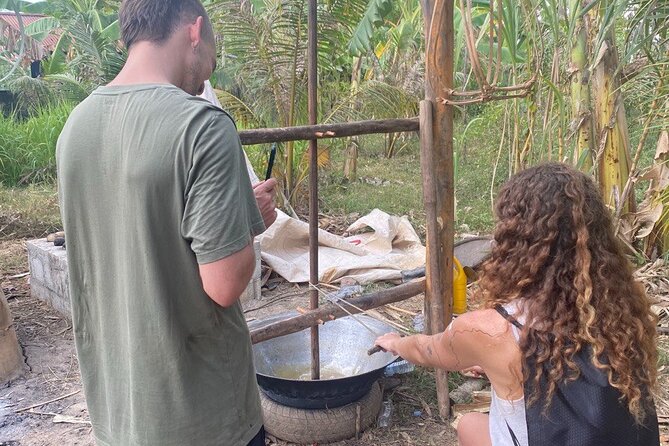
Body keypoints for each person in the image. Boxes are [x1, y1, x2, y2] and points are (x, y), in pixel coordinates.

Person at [56, 1, 277, 445]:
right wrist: (247, 221)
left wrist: (231, 211)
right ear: (194, 32)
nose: (205, 79)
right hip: (204, 417)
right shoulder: (202, 127)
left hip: (119, 414)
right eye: (210, 61)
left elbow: (133, 229)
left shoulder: (74, 129)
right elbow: (224, 284)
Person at [375, 162, 660, 446]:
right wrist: (492, 364)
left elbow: (428, 350)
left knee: (469, 425)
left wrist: (396, 343)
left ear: (514, 238)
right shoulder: (622, 311)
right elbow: (574, 375)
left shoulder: (489, 330)